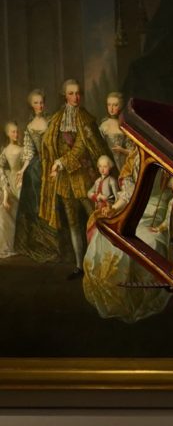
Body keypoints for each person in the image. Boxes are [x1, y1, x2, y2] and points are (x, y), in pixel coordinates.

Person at [37, 79, 111, 277]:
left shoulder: (85, 119)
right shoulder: (57, 118)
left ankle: (100, 263)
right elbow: (49, 142)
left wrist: (60, 162)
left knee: (94, 219)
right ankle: (80, 265)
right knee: (72, 224)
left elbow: (80, 148)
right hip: (64, 182)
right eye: (71, 93)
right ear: (65, 95)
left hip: (84, 177)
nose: (75, 97)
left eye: (78, 93)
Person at [80, 154, 167, 322]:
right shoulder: (135, 157)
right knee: (105, 235)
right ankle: (114, 295)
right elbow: (128, 195)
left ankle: (136, 297)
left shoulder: (167, 155)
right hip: (133, 206)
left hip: (157, 206)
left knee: (149, 241)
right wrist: (113, 208)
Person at [13, 88, 59, 263]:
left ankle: (55, 245)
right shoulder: (30, 126)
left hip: (51, 165)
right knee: (34, 202)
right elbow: (29, 151)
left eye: (41, 102)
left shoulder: (51, 121)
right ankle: (40, 243)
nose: (39, 105)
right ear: (31, 106)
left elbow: (56, 144)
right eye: (36, 103)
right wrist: (23, 169)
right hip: (35, 169)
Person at [0, 120, 25, 256]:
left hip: (21, 179)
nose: (16, 134)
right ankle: (12, 243)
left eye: (17, 131)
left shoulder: (22, 149)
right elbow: (0, 166)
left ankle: (21, 243)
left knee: (21, 212)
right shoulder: (5, 150)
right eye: (13, 132)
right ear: (8, 134)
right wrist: (5, 184)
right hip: (11, 181)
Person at [100, 90, 137, 177]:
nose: (111, 108)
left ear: (120, 106)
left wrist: (122, 150)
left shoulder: (124, 125)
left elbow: (133, 152)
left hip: (123, 163)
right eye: (109, 105)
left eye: (115, 105)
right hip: (107, 164)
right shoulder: (103, 125)